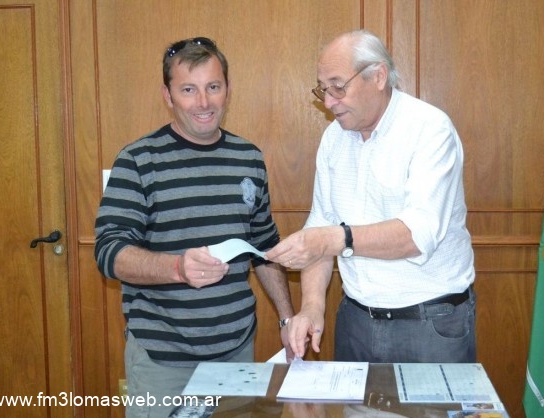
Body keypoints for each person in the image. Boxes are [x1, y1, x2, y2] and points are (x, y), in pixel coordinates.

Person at [95, 37, 294, 418]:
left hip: (236, 352)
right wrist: (177, 268)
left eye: (213, 87)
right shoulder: (138, 160)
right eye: (189, 90)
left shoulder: (248, 158)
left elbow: (265, 248)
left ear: (227, 90)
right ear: (168, 96)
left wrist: (287, 318)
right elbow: (108, 252)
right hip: (163, 362)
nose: (203, 102)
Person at [265, 29, 476, 364]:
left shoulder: (429, 129)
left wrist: (336, 239)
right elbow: (321, 226)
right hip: (356, 321)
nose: (329, 102)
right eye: (323, 89)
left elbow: (417, 235)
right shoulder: (334, 139)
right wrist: (312, 306)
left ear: (378, 76)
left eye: (338, 86)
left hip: (429, 323)